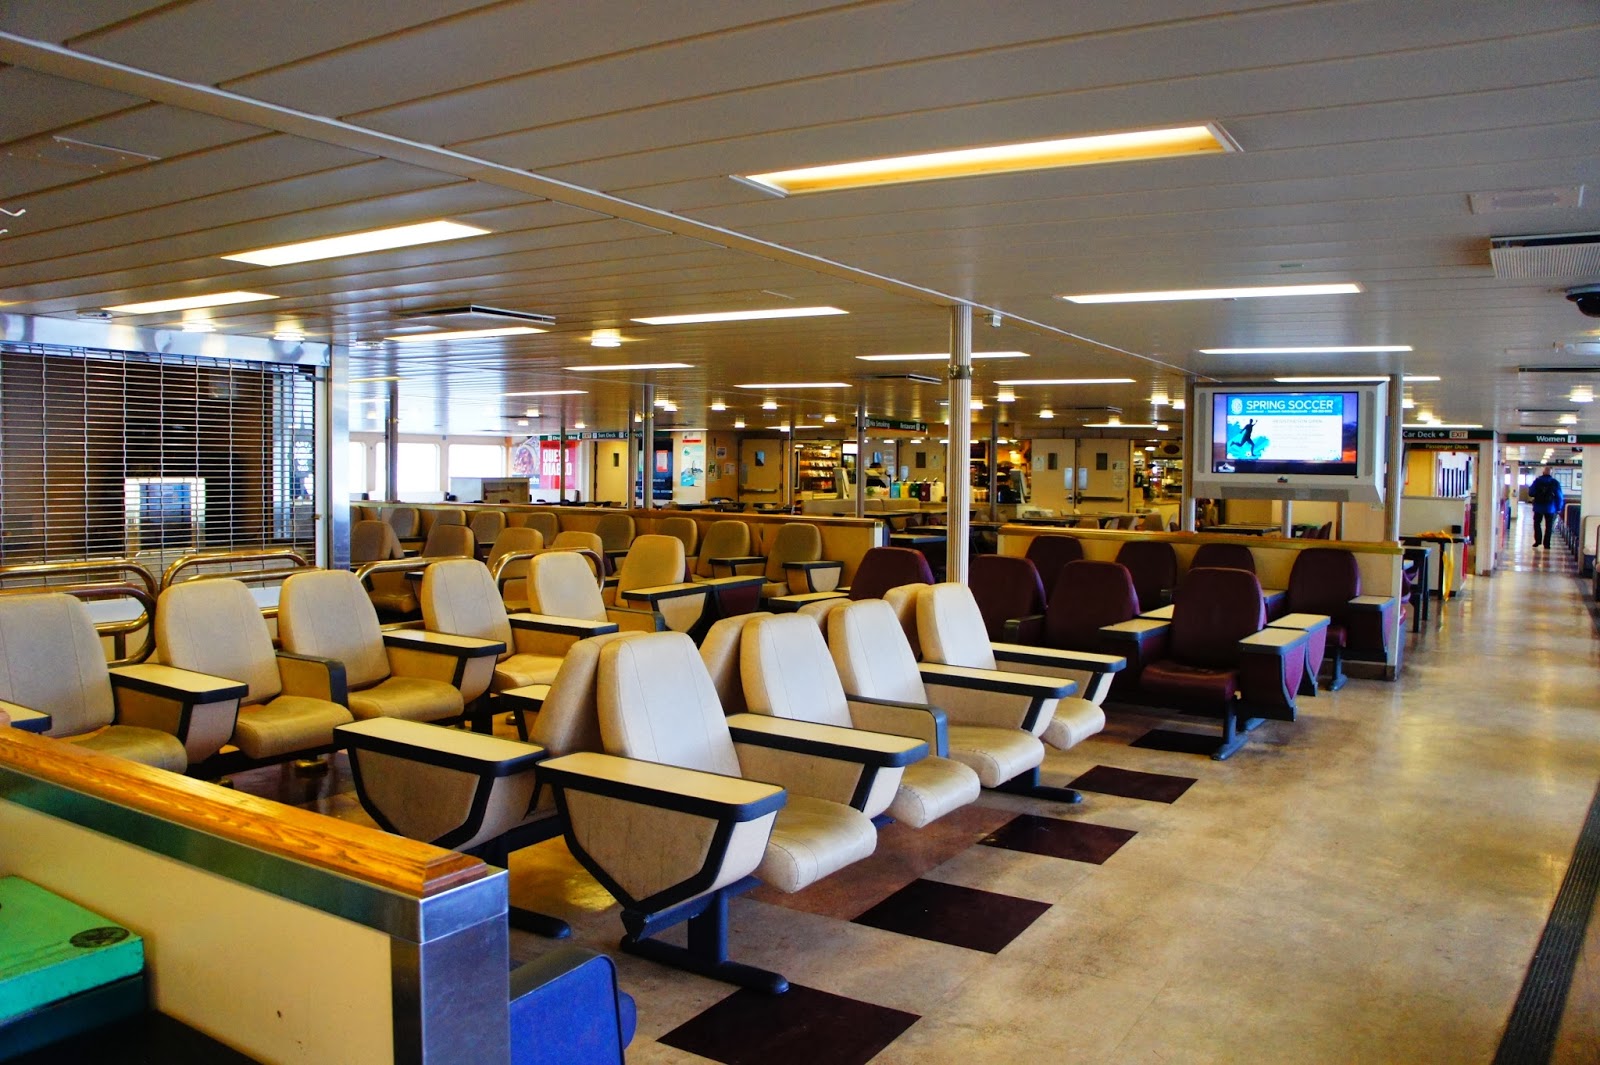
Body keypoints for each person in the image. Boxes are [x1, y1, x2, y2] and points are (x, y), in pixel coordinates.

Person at [1529, 466, 1564, 549]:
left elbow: (1531, 493)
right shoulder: (1555, 482)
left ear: (1543, 472)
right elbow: (1559, 496)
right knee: (1549, 526)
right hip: (1550, 507)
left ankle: (1537, 541)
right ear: (1551, 473)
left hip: (1538, 506)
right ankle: (1547, 544)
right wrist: (1559, 507)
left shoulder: (1537, 481)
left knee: (1537, 524)